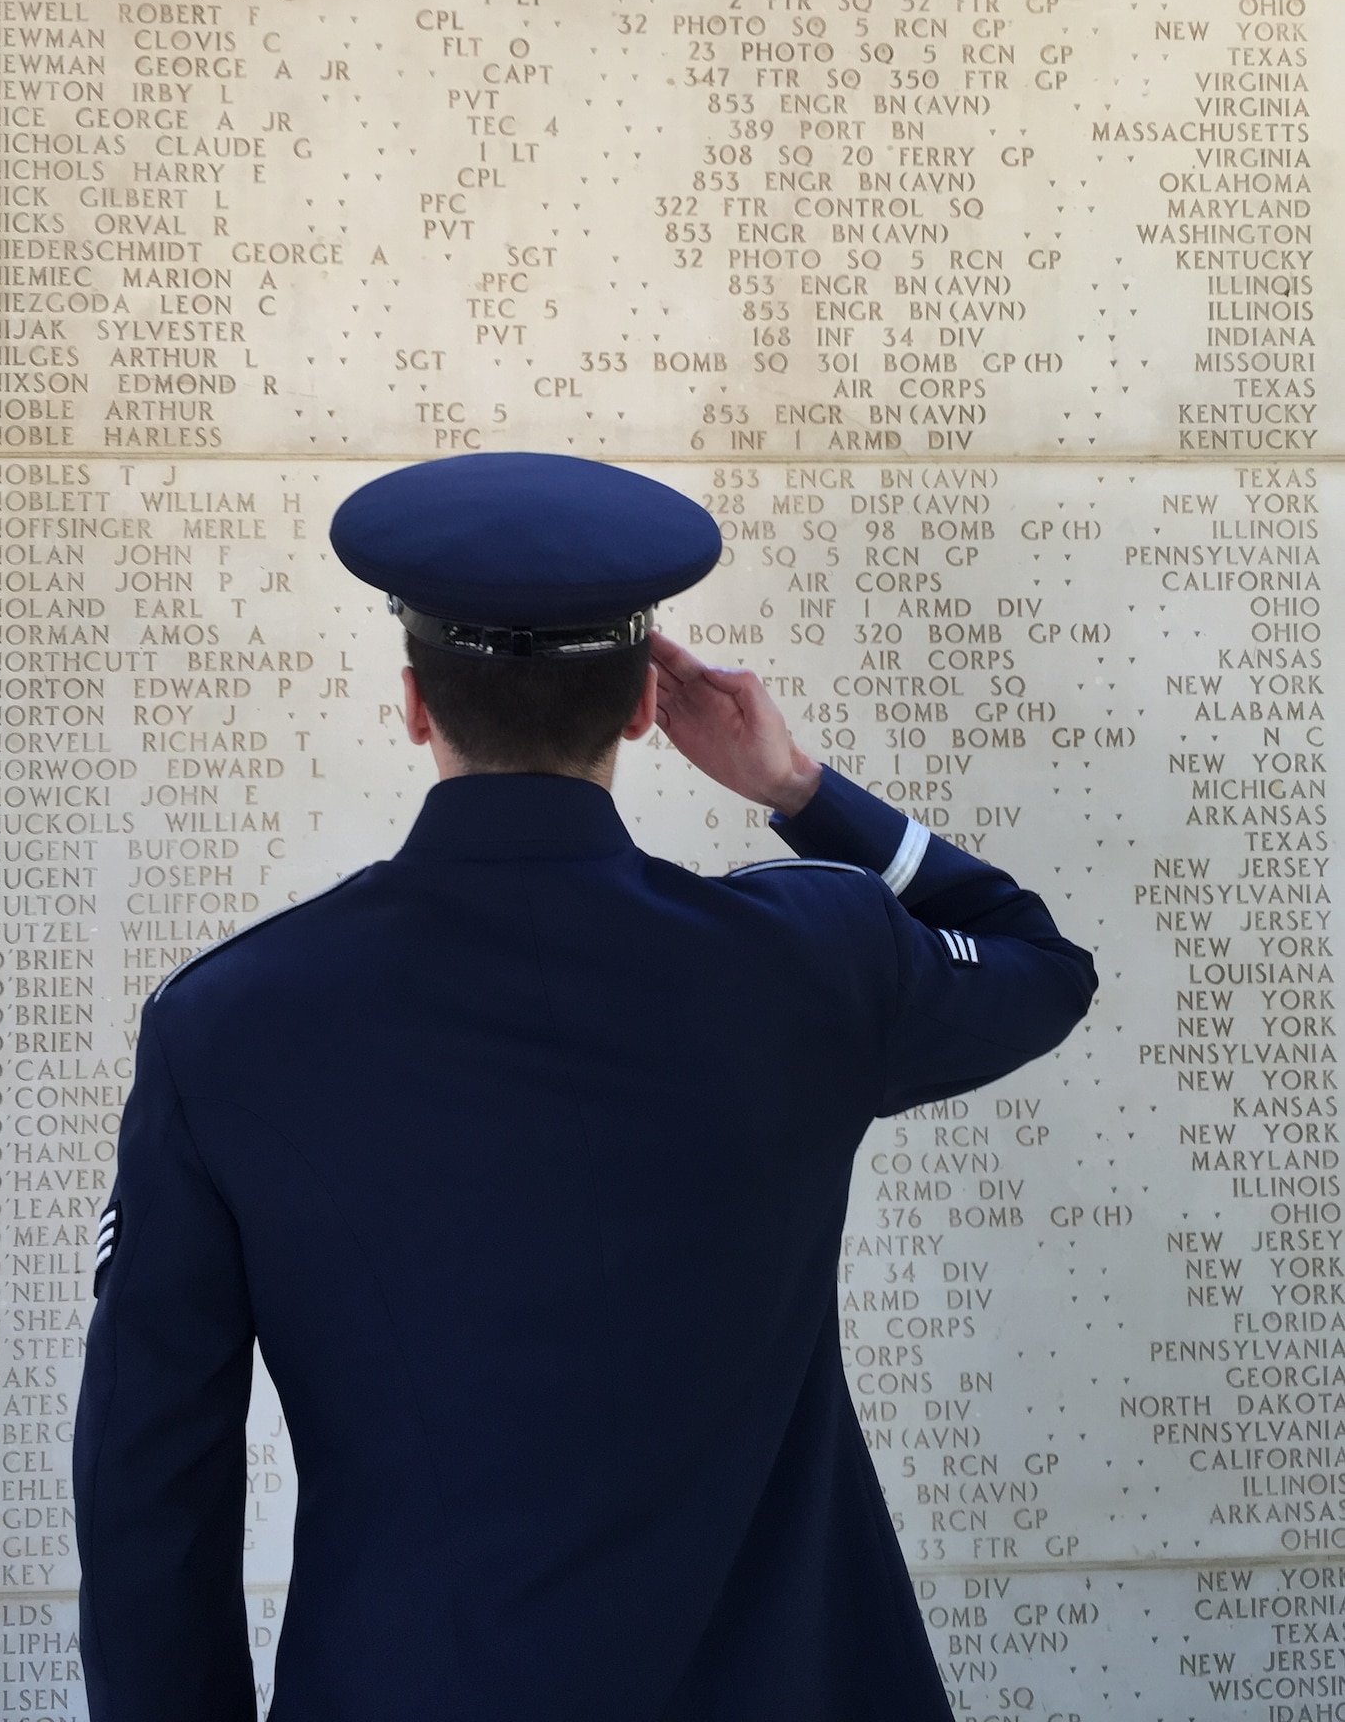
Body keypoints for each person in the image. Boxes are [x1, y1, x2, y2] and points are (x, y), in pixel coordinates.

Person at [74, 452, 1096, 1722]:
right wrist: (799, 791)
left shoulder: (228, 1022)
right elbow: (1040, 964)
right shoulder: (808, 963)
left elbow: (146, 1473)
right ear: (635, 710)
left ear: (411, 701)